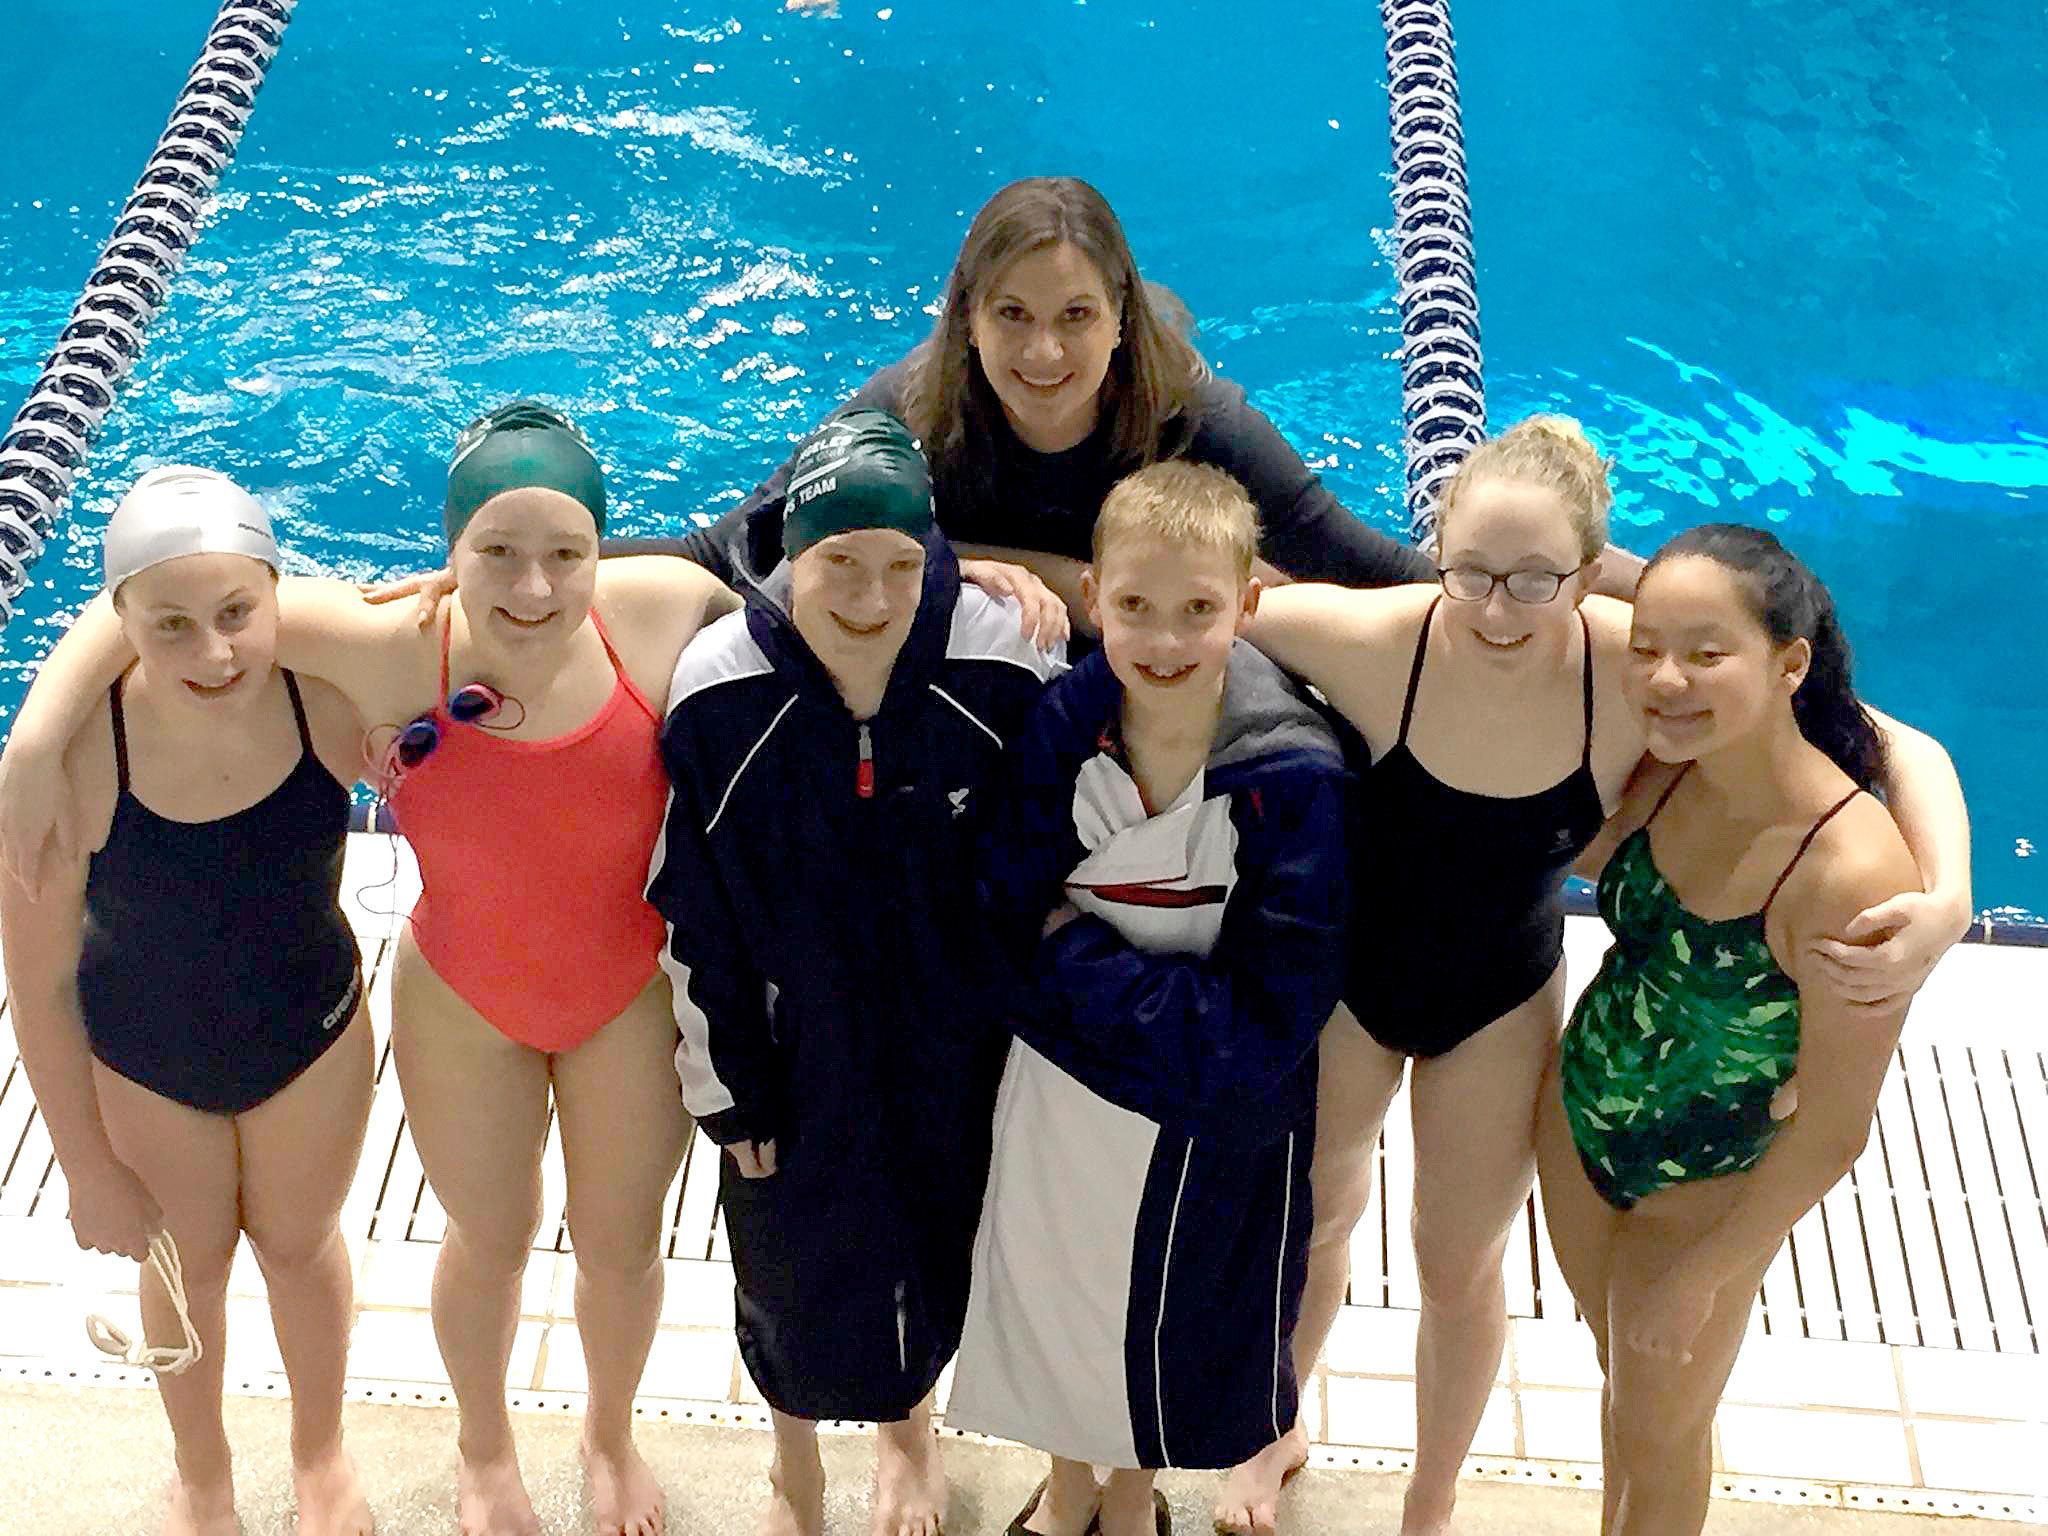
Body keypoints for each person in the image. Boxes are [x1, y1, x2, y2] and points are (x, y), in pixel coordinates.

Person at [1223, 418, 1972, 1536]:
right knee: (1318, 1218)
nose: (1493, 609)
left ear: (1584, 576)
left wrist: (1949, 896)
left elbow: (1885, 738)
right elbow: (1194, 607)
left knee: (1456, 1261)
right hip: (1353, 983)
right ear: (1435, 552)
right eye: (1470, 572)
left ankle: (1427, 1509)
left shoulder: (1635, 675)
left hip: (1498, 1001)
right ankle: (1270, 1433)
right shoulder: (1376, 635)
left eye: (1534, 580)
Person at [0, 404, 738, 1536]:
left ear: (607, 548)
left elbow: (836, 594)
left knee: (621, 1243)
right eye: (495, 552)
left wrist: (992, 577)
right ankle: (481, 1453)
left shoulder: (666, 611)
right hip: (461, 1002)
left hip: (622, 999)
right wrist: (40, 733)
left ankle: (606, 1435)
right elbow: (164, 593)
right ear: (448, 557)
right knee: (484, 1238)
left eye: (565, 554)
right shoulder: (378, 649)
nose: (532, 588)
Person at [647, 410, 1062, 1536]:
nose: (871, 598)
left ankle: (908, 1438)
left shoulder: (1000, 654)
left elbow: (1061, 846)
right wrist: (725, 1084)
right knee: (784, 1261)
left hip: (954, 1039)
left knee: (931, 1242)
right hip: (792, 1048)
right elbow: (693, 912)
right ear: (789, 550)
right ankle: (791, 1465)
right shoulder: (720, 685)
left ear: (932, 551)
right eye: (839, 564)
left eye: (897, 564)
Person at [607, 176, 1635, 626]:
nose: (1041, 351)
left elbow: (1379, 573)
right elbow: (728, 552)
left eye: (1073, 316)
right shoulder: (907, 414)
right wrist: (478, 562)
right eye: (1009, 314)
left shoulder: (1194, 418)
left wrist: (1608, 595)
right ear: (963, 319)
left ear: (1113, 321)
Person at [946, 462, 1349, 1536]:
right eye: (1133, 608)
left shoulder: (1291, 776)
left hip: (1201, 1123)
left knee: (1165, 1326)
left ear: (1248, 607)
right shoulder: (1055, 730)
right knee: (1056, 1291)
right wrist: (1148, 1004)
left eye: (1197, 612)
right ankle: (1066, 1486)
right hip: (1062, 1099)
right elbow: (992, 923)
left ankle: (1128, 1500)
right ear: (1091, 598)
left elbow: (1267, 1025)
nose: (1163, 640)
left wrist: (1073, 961)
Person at [0, 468, 374, 1536]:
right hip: (147, 1060)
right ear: (121, 623)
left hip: (314, 1033)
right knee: (187, 1266)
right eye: (170, 627)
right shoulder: (69, 764)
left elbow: (461, 633)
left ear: (276, 596)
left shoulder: (325, 694)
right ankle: (201, 1473)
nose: (214, 653)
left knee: (302, 1247)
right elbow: (35, 981)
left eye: (237, 616)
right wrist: (84, 1167)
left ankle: (321, 1456)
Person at [1535, 523, 1928, 1536]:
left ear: (1789, 663)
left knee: (1663, 1436)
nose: (1664, 678)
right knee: (1627, 1396)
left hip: (1703, 1190)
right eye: (1647, 648)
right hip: (1577, 1133)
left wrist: (1704, 1275)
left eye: (1705, 653)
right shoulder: (1675, 761)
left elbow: (1837, 1125)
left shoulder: (1847, 873)